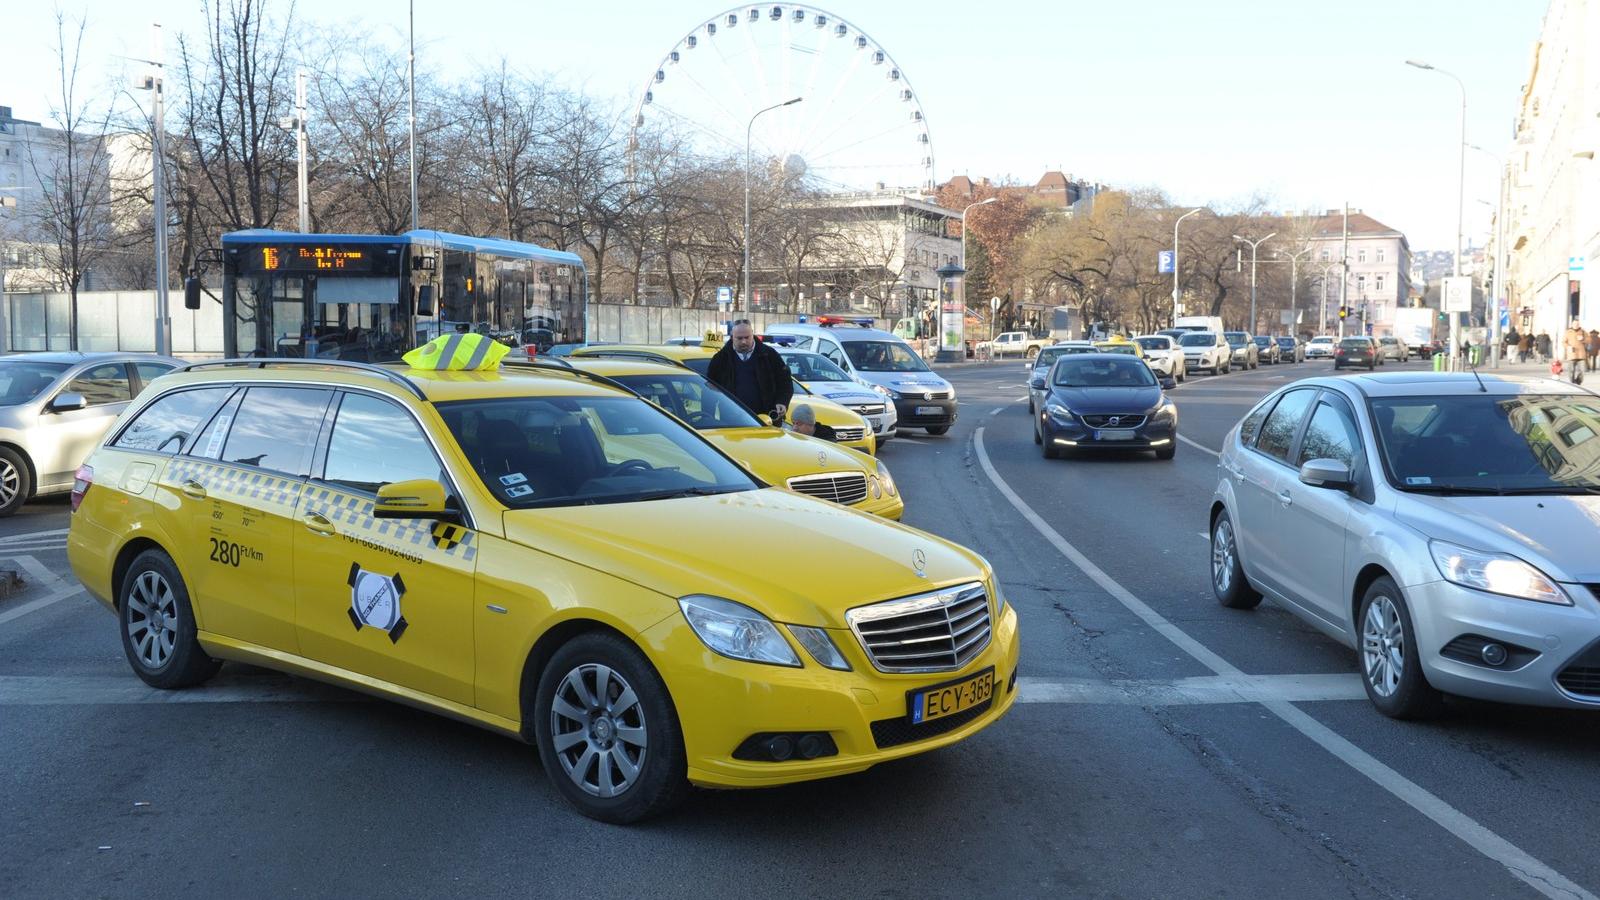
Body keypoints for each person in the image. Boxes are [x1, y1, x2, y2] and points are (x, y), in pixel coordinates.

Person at [706, 319, 792, 423]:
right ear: (732, 337)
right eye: (739, 338)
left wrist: (782, 402)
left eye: (747, 337)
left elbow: (785, 382)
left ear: (752, 335)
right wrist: (708, 419)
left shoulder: (769, 355)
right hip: (731, 422)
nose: (744, 341)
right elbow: (709, 390)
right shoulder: (721, 359)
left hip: (767, 420)